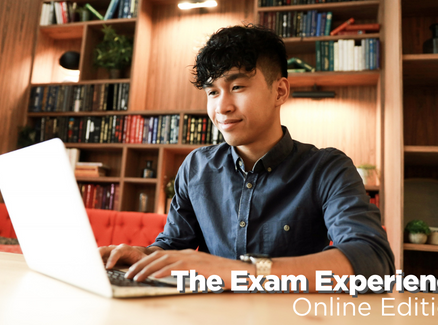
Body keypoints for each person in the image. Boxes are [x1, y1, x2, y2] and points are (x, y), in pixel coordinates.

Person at [100, 24, 395, 291]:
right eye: (212, 92)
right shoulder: (196, 167)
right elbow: (175, 244)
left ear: (279, 91)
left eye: (237, 87)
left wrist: (242, 272)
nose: (222, 107)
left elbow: (373, 261)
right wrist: (145, 255)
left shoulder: (327, 169)